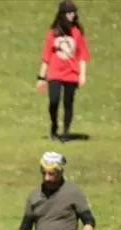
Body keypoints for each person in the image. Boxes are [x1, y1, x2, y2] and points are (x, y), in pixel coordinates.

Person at [36, 1, 89, 143]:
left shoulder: (77, 33)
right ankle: (54, 125)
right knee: (53, 101)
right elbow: (46, 56)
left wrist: (82, 74)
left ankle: (66, 131)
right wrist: (41, 77)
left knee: (68, 102)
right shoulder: (53, 33)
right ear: (63, 14)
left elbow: (83, 55)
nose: (72, 15)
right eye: (69, 13)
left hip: (71, 73)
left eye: (73, 12)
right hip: (54, 72)